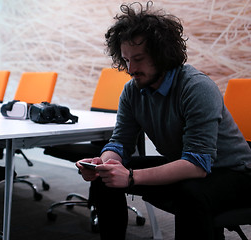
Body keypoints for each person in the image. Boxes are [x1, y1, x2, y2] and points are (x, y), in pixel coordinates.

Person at [76, 1, 251, 240]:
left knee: (190, 192)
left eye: (138, 59)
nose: (131, 68)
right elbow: (120, 143)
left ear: (162, 54)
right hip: (186, 164)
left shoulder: (196, 87)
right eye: (126, 60)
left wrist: (130, 176)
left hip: (236, 173)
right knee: (104, 181)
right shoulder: (132, 91)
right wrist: (105, 164)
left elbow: (198, 164)